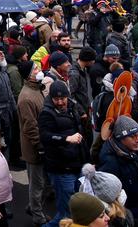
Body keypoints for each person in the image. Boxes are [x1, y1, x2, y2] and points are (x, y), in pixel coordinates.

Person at [38, 80, 88, 227]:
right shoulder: (46, 113)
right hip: (61, 168)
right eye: (56, 99)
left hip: (77, 163)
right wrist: (66, 139)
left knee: (77, 208)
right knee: (65, 213)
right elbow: (45, 136)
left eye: (63, 98)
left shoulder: (72, 106)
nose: (60, 102)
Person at [97, 116, 138, 227]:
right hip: (128, 216)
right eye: (133, 136)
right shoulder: (110, 163)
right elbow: (110, 199)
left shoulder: (131, 153)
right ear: (121, 138)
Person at [17, 65, 48, 227]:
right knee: (37, 184)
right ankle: (37, 215)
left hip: (41, 144)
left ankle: (34, 206)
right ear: (28, 75)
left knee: (42, 182)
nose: (39, 70)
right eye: (35, 69)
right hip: (34, 148)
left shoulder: (36, 90)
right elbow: (30, 126)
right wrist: (40, 145)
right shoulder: (26, 97)